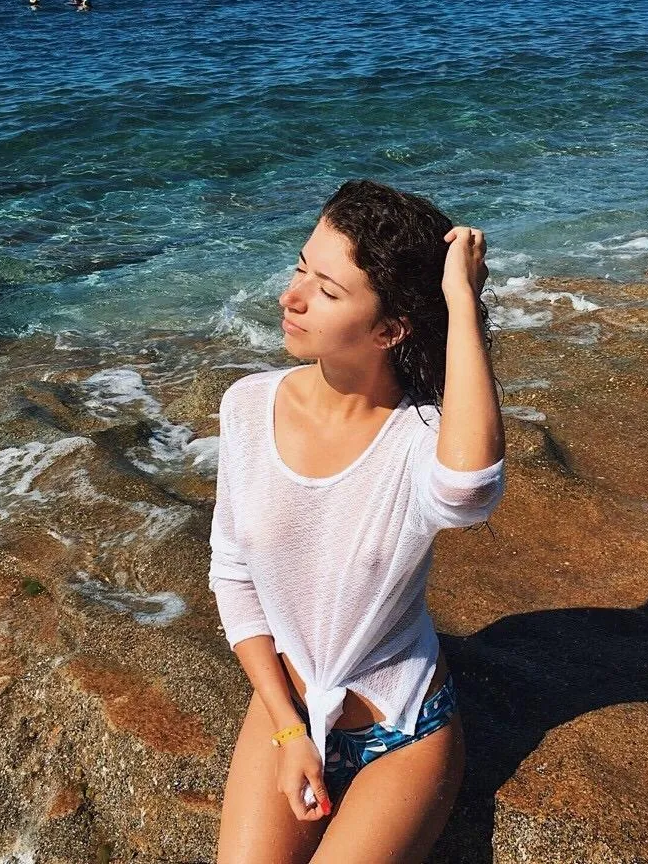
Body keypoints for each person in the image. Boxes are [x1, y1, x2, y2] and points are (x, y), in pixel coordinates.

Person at [210, 179, 506, 862]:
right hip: (288, 712)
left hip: (402, 731)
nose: (291, 298)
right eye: (300, 269)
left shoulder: (419, 438)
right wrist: (288, 730)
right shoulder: (247, 406)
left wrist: (462, 300)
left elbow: (469, 490)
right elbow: (232, 576)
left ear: (389, 330)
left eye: (327, 290)